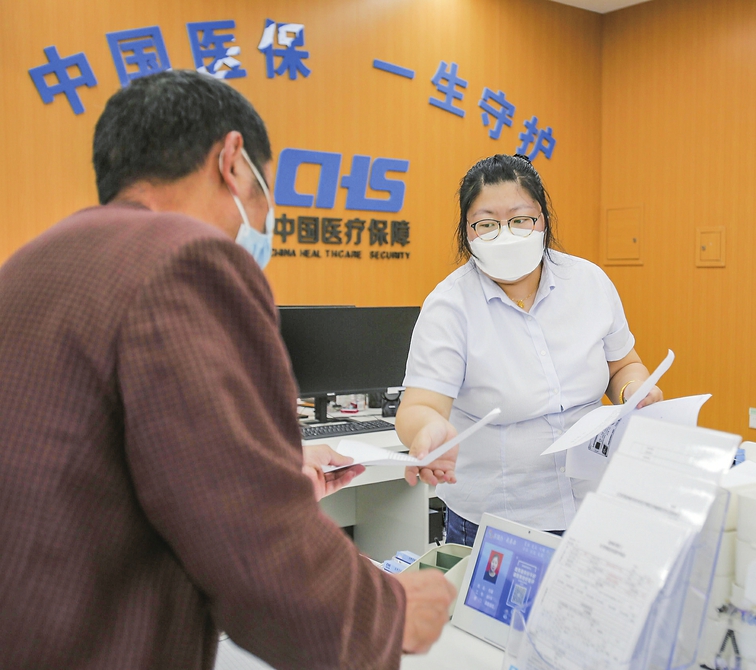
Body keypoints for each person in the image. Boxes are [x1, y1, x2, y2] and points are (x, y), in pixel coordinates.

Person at [0, 70, 455, 669]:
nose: (264, 222)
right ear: (233, 161)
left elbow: (91, 465)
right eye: (266, 194)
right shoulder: (187, 259)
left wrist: (266, 462)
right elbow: (257, 552)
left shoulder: (27, 267)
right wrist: (392, 612)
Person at [396, 154, 662, 546]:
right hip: (500, 521)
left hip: (594, 503)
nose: (506, 234)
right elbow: (418, 407)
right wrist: (428, 430)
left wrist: (633, 390)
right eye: (487, 224)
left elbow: (624, 365)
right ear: (467, 231)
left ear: (543, 220)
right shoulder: (450, 306)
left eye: (521, 219)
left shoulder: (589, 282)